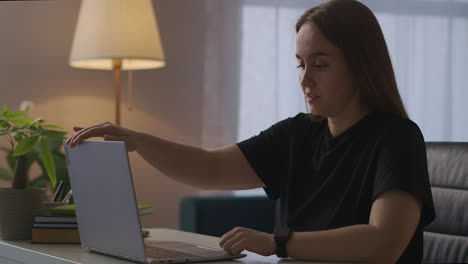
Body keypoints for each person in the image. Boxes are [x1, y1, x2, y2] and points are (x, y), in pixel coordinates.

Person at [66, 0, 435, 263]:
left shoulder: (397, 138)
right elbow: (208, 169)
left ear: (360, 66)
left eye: (320, 64)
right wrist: (137, 140)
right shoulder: (297, 133)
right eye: (300, 64)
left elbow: (383, 244)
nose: (305, 79)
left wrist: (280, 244)